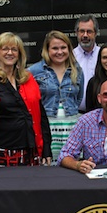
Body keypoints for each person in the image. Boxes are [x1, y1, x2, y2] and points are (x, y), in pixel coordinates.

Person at [0, 32, 52, 172]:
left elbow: (41, 117)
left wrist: (46, 148)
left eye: (14, 49)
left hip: (32, 151)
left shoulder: (28, 78)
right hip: (4, 153)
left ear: (19, 54)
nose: (10, 53)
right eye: (5, 49)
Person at [28, 30, 84, 163]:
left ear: (69, 49)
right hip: (47, 127)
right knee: (48, 166)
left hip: (72, 127)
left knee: (71, 164)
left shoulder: (77, 69)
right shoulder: (34, 71)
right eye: (55, 48)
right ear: (47, 50)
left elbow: (79, 98)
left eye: (63, 47)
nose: (60, 52)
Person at [73, 13, 101, 113]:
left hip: (100, 113)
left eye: (89, 31)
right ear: (76, 33)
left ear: (96, 33)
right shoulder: (70, 57)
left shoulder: (103, 55)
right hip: (75, 114)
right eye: (81, 31)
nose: (85, 35)